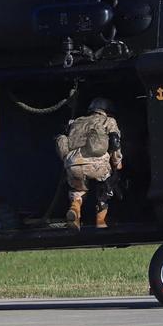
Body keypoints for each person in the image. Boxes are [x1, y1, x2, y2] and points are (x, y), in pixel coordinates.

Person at [56, 97, 123, 230]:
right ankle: (101, 222)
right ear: (107, 111)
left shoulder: (76, 122)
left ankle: (75, 209)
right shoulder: (108, 121)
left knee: (78, 190)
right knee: (105, 188)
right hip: (97, 164)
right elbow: (114, 142)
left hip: (72, 163)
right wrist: (117, 162)